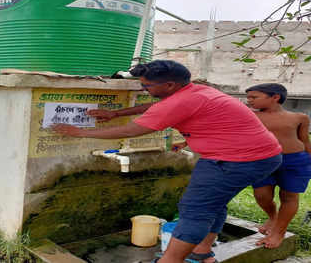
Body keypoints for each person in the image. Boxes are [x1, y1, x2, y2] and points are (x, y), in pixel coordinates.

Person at [52, 60, 282, 263]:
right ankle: (202, 251)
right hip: (261, 156)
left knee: (194, 209)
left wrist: (80, 133)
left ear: (170, 85)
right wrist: (116, 113)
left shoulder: (180, 102)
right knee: (213, 204)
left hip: (234, 161)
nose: (143, 89)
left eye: (147, 86)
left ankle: (171, 260)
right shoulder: (197, 91)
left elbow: (135, 130)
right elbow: (156, 106)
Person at [246, 83, 311, 249]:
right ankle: (273, 217)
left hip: (295, 160)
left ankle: (279, 232)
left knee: (289, 196)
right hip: (262, 161)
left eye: (254, 97)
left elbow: (304, 140)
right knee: (262, 195)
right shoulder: (249, 115)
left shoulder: (299, 117)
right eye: (248, 97)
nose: (249, 101)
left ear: (275, 97)